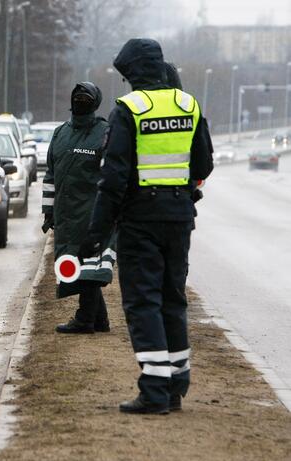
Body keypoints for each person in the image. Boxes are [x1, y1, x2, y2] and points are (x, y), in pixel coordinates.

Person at [80, 39, 214, 414]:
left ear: (132, 72)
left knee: (143, 303)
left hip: (140, 222)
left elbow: (113, 177)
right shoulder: (189, 104)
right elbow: (203, 166)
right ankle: (175, 385)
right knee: (173, 299)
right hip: (180, 219)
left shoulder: (130, 109)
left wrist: (96, 232)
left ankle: (154, 391)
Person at [41, 82, 114, 334]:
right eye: (77, 96)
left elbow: (113, 175)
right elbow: (50, 175)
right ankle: (99, 320)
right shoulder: (61, 133)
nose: (80, 100)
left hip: (93, 214)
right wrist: (48, 211)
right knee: (78, 265)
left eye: (86, 97)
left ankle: (84, 320)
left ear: (95, 102)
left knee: (90, 265)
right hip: (65, 215)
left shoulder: (105, 132)